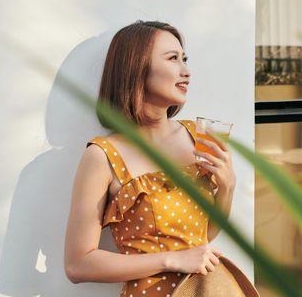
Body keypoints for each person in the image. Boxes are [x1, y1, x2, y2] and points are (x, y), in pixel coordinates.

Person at [64, 20, 237, 296]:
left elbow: (201, 239)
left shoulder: (199, 137)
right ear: (136, 68)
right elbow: (78, 264)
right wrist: (171, 260)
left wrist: (227, 188)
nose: (186, 71)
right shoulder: (103, 155)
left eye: (185, 59)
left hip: (205, 290)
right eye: (172, 59)